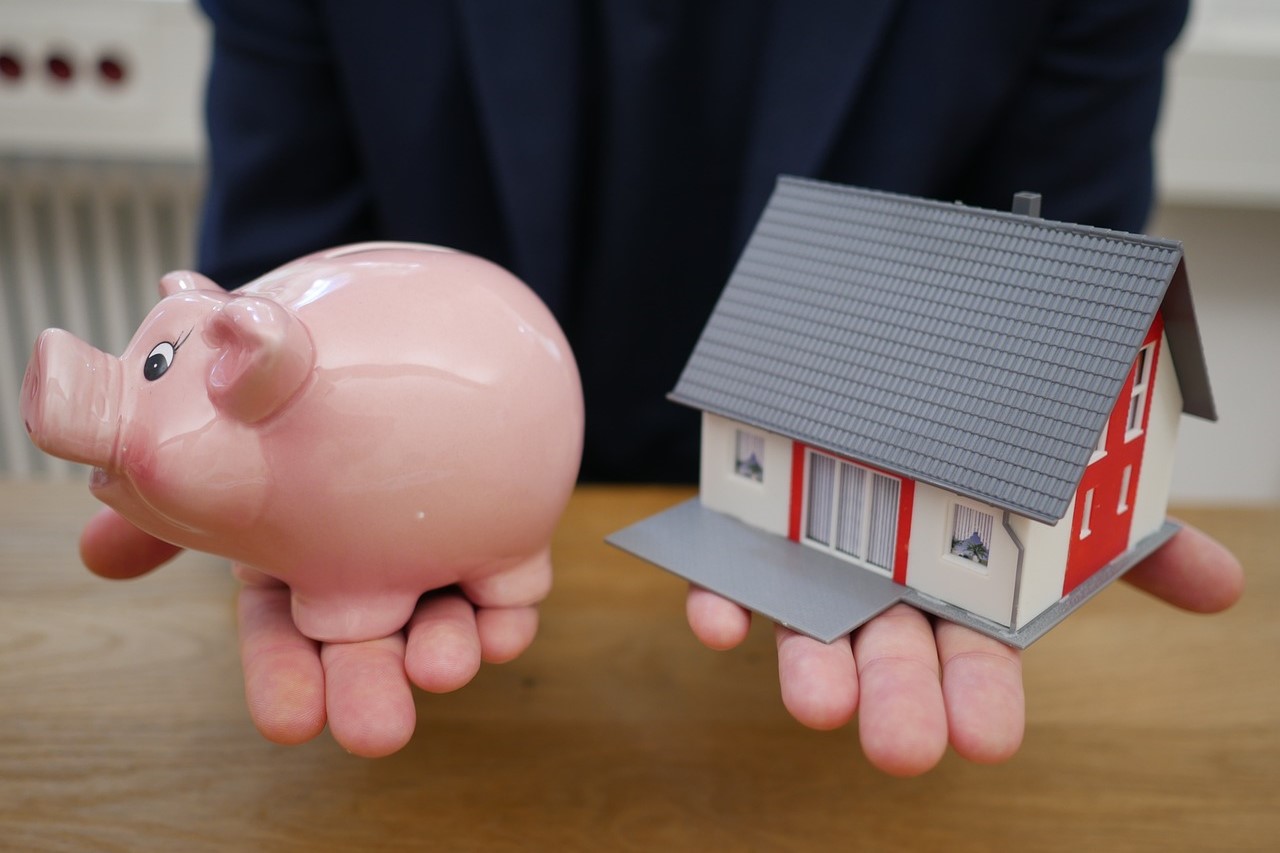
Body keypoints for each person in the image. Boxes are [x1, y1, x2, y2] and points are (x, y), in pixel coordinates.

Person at [81, 0, 1243, 775]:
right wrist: (205, 467)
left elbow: (1053, 295)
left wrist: (1061, 496)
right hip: (435, 534)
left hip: (808, 537)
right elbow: (281, 256)